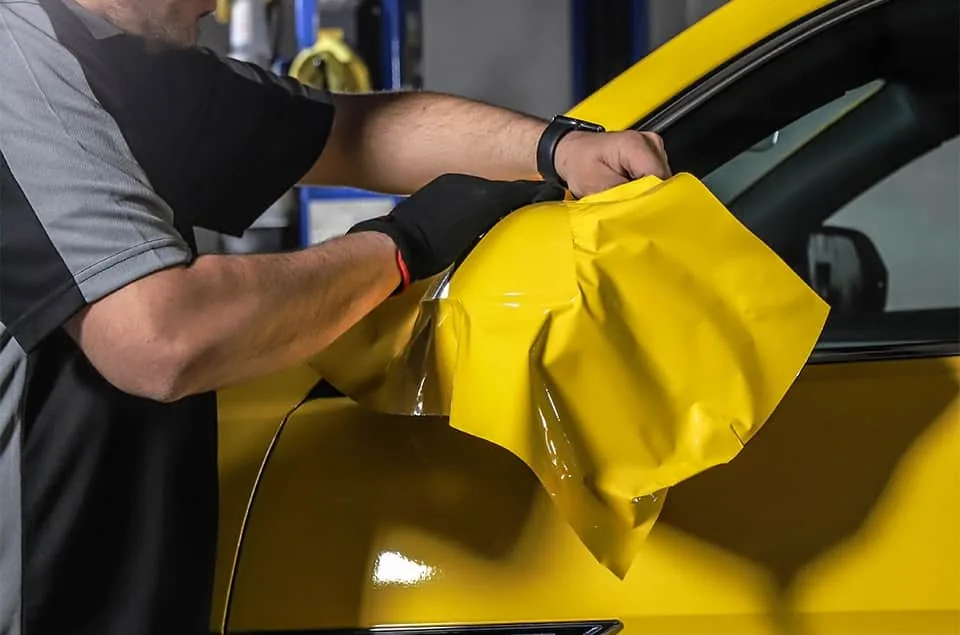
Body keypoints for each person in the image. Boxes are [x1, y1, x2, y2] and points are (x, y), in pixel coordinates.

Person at [0, 0, 671, 633]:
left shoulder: (114, 61)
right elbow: (163, 336)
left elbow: (354, 132)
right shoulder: (16, 65)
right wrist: (401, 246)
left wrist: (556, 149)